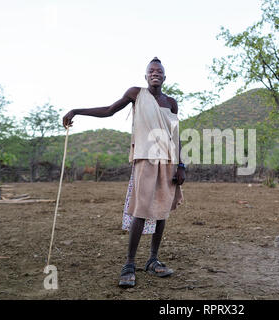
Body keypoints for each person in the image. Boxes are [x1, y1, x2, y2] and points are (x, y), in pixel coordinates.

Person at [62, 57, 185, 288]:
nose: (155, 73)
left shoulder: (171, 102)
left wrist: (182, 165)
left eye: (159, 71)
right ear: (146, 76)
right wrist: (76, 110)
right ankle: (129, 264)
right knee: (140, 209)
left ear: (165, 77)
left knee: (161, 212)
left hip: (168, 161)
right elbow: (109, 111)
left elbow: (176, 137)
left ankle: (152, 259)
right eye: (151, 71)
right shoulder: (136, 94)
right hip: (145, 160)